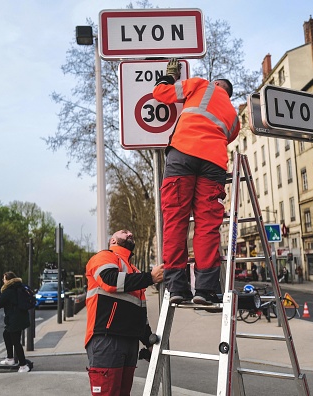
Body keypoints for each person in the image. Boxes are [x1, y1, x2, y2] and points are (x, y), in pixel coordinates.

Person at [153, 58, 240, 305]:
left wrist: (169, 76)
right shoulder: (234, 117)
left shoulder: (201, 85)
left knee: (176, 221)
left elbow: (162, 94)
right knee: (207, 225)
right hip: (214, 164)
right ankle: (205, 290)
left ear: (216, 84)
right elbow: (228, 137)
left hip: (183, 153)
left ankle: (178, 288)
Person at [85, 229, 163, 396]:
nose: (130, 234)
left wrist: (147, 340)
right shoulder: (104, 257)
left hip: (129, 341)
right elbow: (110, 281)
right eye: (124, 232)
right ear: (112, 240)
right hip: (106, 337)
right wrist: (150, 278)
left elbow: (139, 311)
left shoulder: (134, 271)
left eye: (131, 233)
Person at [0, 271, 31, 373]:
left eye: (4, 279)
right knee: (6, 334)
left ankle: (23, 365)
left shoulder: (8, 291)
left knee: (16, 342)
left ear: (8, 280)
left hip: (15, 320)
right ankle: (10, 358)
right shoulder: (18, 287)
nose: (3, 281)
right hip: (20, 318)